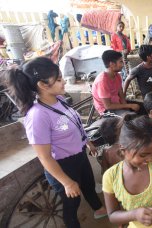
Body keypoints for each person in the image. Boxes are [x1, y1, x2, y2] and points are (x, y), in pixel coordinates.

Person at [2, 57, 107, 227]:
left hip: (79, 155)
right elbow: (44, 157)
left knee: (88, 184)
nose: (64, 81)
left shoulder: (60, 101)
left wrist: (87, 141)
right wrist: (66, 182)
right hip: (62, 165)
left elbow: (75, 124)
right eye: (58, 79)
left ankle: (99, 209)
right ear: (43, 85)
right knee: (72, 203)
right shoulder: (37, 116)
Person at [102, 116, 152, 227]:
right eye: (143, 155)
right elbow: (112, 215)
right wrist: (134, 214)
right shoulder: (111, 177)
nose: (150, 159)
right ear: (123, 150)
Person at [92, 50, 140, 116]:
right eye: (120, 62)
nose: (123, 64)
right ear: (112, 64)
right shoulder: (102, 81)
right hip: (106, 110)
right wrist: (130, 106)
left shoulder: (117, 75)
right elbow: (108, 106)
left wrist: (127, 108)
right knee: (132, 118)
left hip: (117, 104)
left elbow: (121, 95)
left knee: (139, 109)